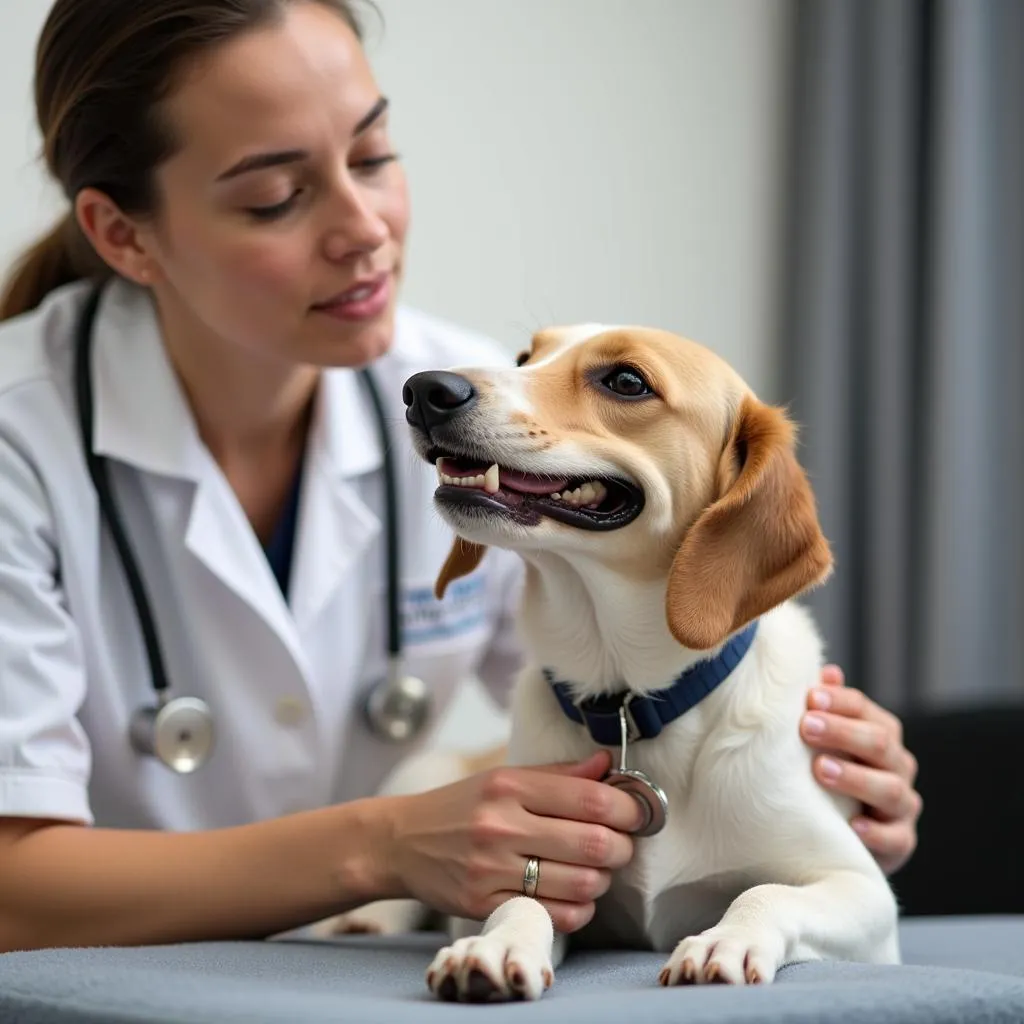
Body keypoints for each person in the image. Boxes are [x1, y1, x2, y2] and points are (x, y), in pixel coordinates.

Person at [0, 0, 922, 954]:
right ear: (123, 234)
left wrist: (804, 792)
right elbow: (10, 893)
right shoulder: (17, 439)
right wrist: (382, 846)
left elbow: (611, 694)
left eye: (372, 156)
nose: (365, 230)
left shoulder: (471, 404)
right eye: (276, 195)